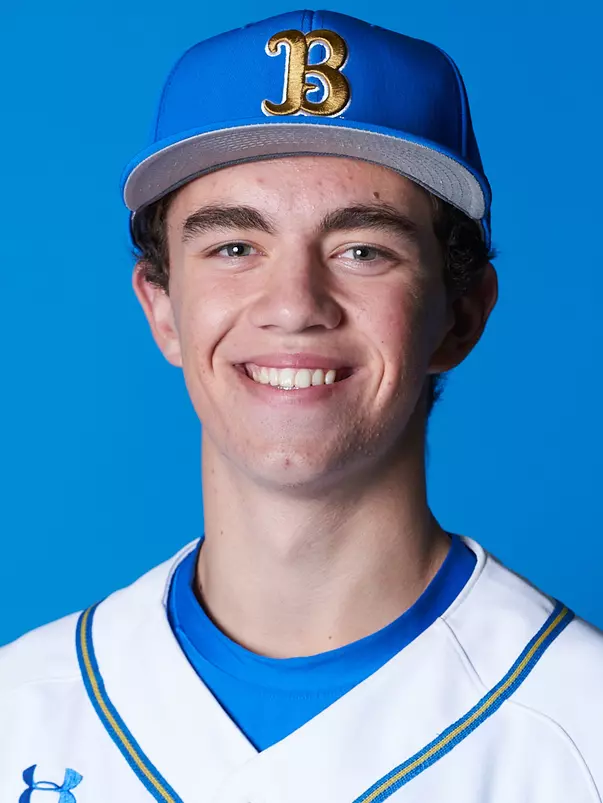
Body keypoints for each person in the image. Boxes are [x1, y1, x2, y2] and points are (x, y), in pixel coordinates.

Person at [1, 8, 602, 803]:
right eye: (234, 247)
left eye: (362, 249)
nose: (293, 305)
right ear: (161, 308)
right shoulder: (21, 713)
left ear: (460, 315)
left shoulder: (580, 729)